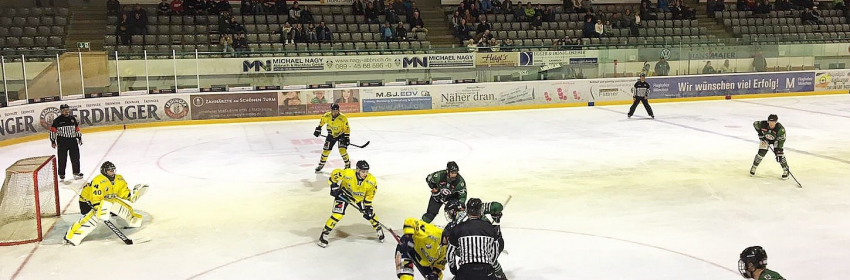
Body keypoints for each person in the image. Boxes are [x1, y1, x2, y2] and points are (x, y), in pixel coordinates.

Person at [64, 161, 148, 246]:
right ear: (104, 171)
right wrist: (98, 207)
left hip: (107, 200)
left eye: (113, 170)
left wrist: (131, 196)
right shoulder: (98, 180)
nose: (112, 172)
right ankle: (72, 235)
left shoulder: (119, 179)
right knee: (94, 217)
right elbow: (96, 197)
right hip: (88, 202)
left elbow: (123, 192)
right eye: (109, 170)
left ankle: (131, 221)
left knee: (122, 208)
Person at [318, 160, 384, 247]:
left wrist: (368, 207)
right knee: (337, 214)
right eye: (363, 171)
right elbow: (335, 173)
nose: (365, 174)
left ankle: (378, 228)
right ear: (357, 170)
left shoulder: (371, 181)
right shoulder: (348, 173)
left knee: (370, 214)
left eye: (367, 171)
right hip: (344, 195)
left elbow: (370, 194)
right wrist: (333, 185)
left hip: (359, 198)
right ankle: (324, 234)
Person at [444, 199, 507, 280]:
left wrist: (455, 270)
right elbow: (497, 206)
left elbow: (450, 251)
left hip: (490, 242)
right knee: (486, 256)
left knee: (463, 250)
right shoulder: (480, 209)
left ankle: (500, 275)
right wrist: (496, 214)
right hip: (493, 240)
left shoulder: (457, 225)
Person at [313, 103, 351, 172]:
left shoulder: (343, 118)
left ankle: (347, 164)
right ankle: (321, 164)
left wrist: (347, 138)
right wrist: (318, 129)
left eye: (336, 110)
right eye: (333, 110)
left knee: (342, 150)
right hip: (331, 135)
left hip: (341, 135)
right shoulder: (327, 115)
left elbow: (347, 128)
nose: (334, 112)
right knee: (326, 150)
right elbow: (322, 122)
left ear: (339, 110)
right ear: (331, 110)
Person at [50, 104, 83, 182]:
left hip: (73, 141)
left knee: (75, 157)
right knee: (62, 158)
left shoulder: (72, 119)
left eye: (67, 109)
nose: (66, 111)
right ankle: (61, 174)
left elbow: (77, 129)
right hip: (62, 142)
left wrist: (79, 138)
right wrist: (53, 141)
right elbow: (53, 131)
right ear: (61, 111)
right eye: (64, 110)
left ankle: (76, 172)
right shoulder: (57, 120)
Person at [750, 114, 789, 179]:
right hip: (766, 139)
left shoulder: (780, 129)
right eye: (770, 122)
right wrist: (760, 133)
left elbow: (781, 141)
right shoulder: (763, 124)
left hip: (776, 140)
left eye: (773, 122)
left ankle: (786, 170)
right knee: (761, 153)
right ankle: (754, 167)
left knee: (780, 155)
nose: (771, 124)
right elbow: (755, 124)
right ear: (767, 121)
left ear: (776, 122)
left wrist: (779, 150)